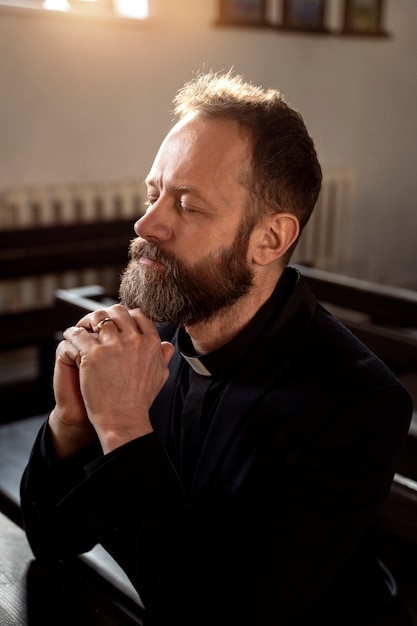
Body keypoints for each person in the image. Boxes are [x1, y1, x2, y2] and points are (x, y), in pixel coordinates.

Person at [20, 71, 413, 626]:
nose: (145, 223)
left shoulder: (359, 404)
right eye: (153, 193)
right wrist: (75, 422)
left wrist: (126, 427)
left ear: (270, 239)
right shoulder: (161, 343)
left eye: (187, 205)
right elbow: (52, 537)